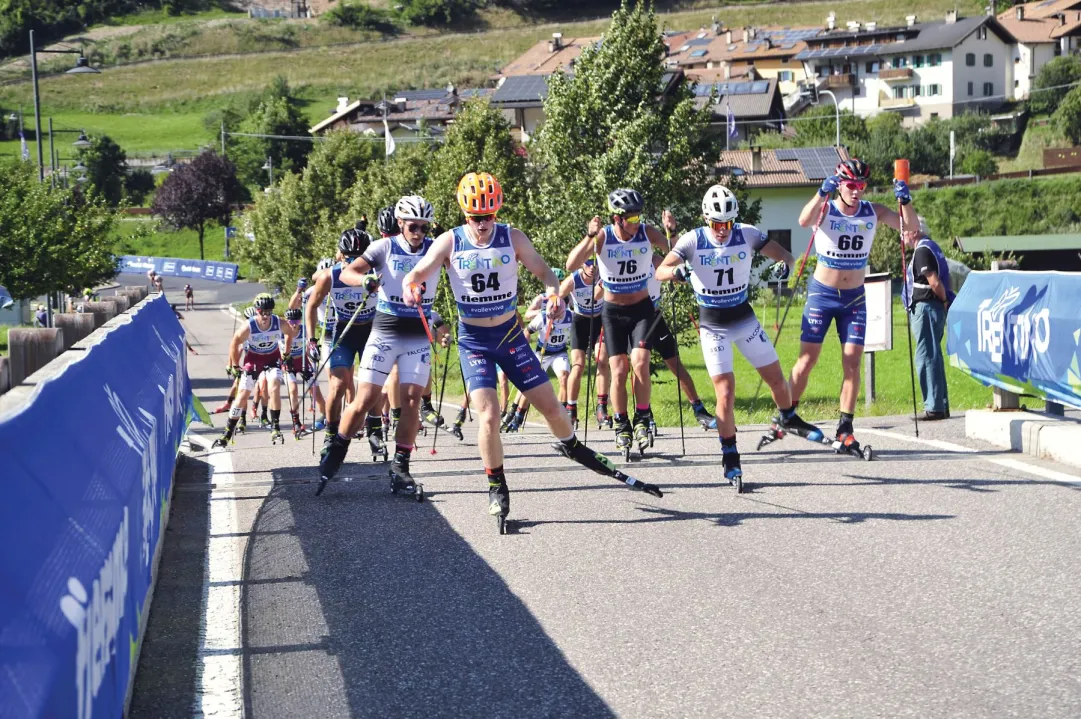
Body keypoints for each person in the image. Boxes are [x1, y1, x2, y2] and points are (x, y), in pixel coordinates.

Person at [397, 172, 662, 530]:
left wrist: (554, 296)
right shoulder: (450, 241)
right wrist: (412, 287)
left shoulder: (512, 237)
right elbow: (415, 274)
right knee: (488, 416)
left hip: (510, 336)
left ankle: (570, 445)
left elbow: (546, 274)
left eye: (489, 215)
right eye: (476, 217)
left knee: (552, 408)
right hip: (474, 340)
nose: (483, 224)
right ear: (465, 215)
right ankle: (496, 485)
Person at [656, 185, 818, 483]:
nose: (723, 230)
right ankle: (730, 454)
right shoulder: (694, 239)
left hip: (744, 318)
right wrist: (676, 273)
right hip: (713, 325)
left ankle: (787, 416)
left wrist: (785, 265)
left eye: (728, 223)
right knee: (725, 393)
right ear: (707, 219)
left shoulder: (747, 233)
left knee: (777, 380)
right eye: (718, 224)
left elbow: (785, 255)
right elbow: (660, 271)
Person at [788, 158, 918, 454]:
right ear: (839, 185)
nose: (856, 191)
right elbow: (803, 220)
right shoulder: (827, 209)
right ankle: (787, 413)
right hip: (823, 294)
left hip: (855, 298)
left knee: (852, 362)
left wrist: (906, 201)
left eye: (861, 185)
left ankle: (846, 428)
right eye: (850, 185)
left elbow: (910, 227)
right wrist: (822, 193)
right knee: (807, 360)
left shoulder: (873, 211)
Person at [316, 195, 440, 495]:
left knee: (410, 399)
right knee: (366, 399)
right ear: (400, 224)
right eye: (413, 226)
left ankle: (401, 467)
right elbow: (347, 272)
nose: (419, 233)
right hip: (385, 328)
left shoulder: (437, 248)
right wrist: (365, 280)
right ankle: (338, 449)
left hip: (417, 332)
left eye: (424, 227)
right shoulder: (384, 247)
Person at [566, 189, 673, 458]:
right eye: (632, 217)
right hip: (612, 311)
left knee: (639, 362)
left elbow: (674, 252)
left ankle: (642, 415)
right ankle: (621, 421)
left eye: (639, 216)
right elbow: (571, 264)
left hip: (642, 308)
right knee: (618, 369)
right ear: (617, 218)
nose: (637, 222)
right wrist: (590, 236)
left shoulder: (647, 233)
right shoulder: (603, 237)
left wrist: (672, 231)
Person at [304, 225, 377, 450]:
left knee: (374, 384)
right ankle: (331, 433)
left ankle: (375, 431)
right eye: (348, 258)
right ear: (340, 255)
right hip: (343, 332)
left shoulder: (378, 271)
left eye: (359, 258)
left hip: (371, 331)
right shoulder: (330, 276)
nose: (353, 264)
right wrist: (311, 339)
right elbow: (312, 305)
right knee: (337, 385)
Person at [645, 248, 717, 432]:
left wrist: (680, 273)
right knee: (639, 368)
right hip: (634, 320)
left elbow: (678, 273)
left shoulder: (655, 260)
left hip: (656, 318)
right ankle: (644, 415)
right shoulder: (628, 260)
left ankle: (699, 411)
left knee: (677, 365)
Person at [213, 293, 298, 447]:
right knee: (242, 395)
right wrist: (234, 365)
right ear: (256, 310)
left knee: (274, 388)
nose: (265, 316)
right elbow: (234, 342)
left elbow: (290, 333)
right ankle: (227, 433)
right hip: (253, 360)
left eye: (268, 312)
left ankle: (275, 427)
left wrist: (286, 353)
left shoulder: (278, 322)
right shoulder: (249, 326)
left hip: (272, 359)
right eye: (261, 312)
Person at [902, 215, 954, 421]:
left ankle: (933, 406)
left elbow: (933, 281)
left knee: (925, 355)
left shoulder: (922, 250)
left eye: (905, 230)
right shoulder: (932, 247)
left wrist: (943, 300)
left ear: (915, 230)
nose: (902, 234)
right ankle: (941, 403)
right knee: (934, 354)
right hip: (932, 308)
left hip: (925, 307)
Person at [502, 295, 574, 433]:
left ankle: (562, 415)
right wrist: (524, 349)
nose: (553, 317)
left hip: (559, 353)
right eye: (551, 314)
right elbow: (527, 332)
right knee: (531, 384)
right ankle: (518, 417)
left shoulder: (571, 316)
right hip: (542, 354)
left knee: (564, 378)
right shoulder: (542, 317)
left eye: (556, 315)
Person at [562, 259, 611, 430]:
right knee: (578, 365)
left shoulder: (604, 276)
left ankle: (601, 407)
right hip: (580, 322)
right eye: (588, 263)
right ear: (582, 264)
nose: (592, 267)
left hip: (600, 321)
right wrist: (554, 307)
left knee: (602, 360)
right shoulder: (573, 280)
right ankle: (571, 408)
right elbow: (557, 296)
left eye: (595, 263)